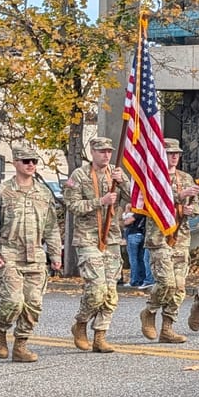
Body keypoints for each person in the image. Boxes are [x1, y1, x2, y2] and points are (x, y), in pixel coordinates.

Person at [0, 143, 63, 363]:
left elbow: (52, 228)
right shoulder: (0, 193)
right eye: (26, 161)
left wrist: (55, 255)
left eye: (34, 161)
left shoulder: (44, 193)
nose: (30, 165)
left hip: (36, 256)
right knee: (14, 302)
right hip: (9, 255)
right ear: (15, 163)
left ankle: (21, 345)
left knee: (34, 303)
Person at [65, 137, 131, 353]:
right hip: (88, 238)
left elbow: (136, 199)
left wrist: (123, 182)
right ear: (92, 152)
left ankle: (100, 335)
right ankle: (81, 323)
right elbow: (72, 205)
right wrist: (99, 202)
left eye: (109, 151)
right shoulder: (79, 175)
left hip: (111, 237)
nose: (106, 155)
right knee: (96, 289)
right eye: (101, 151)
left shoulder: (116, 173)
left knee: (111, 291)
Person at [139, 138, 199, 344]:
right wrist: (179, 196)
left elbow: (197, 207)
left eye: (177, 153)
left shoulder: (185, 177)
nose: (174, 157)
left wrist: (190, 209)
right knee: (166, 282)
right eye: (170, 153)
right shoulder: (154, 179)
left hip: (181, 238)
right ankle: (150, 311)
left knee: (179, 287)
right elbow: (152, 203)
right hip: (159, 237)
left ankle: (167, 327)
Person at [124, 210, 154, 288]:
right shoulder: (146, 213)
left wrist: (124, 219)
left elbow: (128, 221)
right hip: (142, 235)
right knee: (141, 258)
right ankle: (142, 279)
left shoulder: (138, 212)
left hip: (133, 234)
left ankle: (134, 280)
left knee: (133, 259)